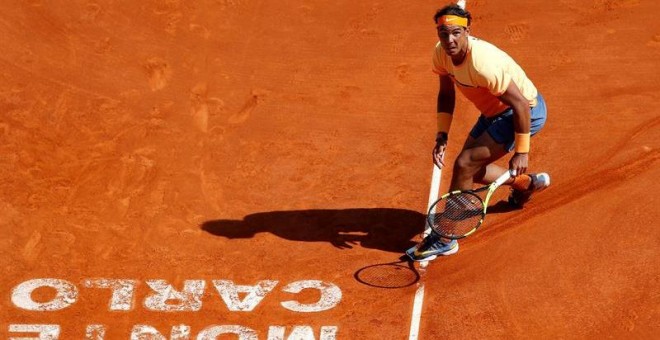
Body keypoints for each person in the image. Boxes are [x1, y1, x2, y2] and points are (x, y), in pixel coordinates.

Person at [406, 4, 550, 262]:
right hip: (494, 112)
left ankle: (446, 237)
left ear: (467, 32)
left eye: (455, 33)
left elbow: (520, 104)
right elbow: (446, 93)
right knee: (471, 169)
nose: (449, 40)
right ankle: (525, 183)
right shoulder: (441, 54)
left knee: (464, 164)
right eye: (443, 33)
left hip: (523, 112)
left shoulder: (483, 64)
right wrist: (441, 135)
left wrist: (522, 151)